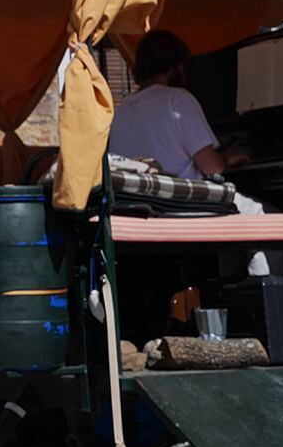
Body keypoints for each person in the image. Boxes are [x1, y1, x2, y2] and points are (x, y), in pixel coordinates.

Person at [108, 29, 274, 276]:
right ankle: (269, 299)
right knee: (267, 217)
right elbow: (211, 167)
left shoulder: (121, 111)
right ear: (177, 66)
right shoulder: (178, 100)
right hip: (181, 208)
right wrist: (231, 156)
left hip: (140, 209)